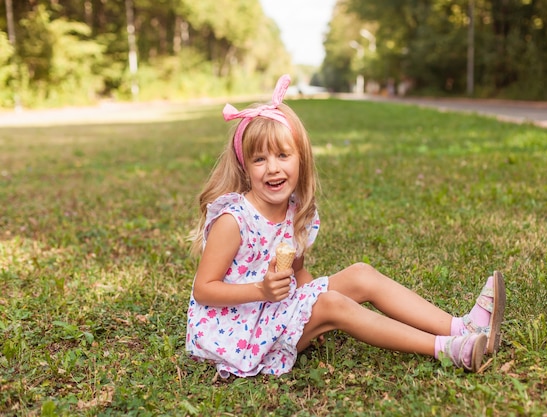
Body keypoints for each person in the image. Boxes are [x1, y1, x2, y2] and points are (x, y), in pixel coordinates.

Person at [185, 74, 506, 378]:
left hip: (275, 312)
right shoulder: (234, 220)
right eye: (259, 159)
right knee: (333, 302)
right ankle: (449, 350)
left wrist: (310, 310)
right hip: (239, 334)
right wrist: (264, 291)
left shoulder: (295, 212)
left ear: (301, 158)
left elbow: (298, 274)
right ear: (245, 165)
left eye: (283, 155)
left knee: (360, 274)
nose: (273, 169)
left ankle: (463, 327)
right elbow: (204, 289)